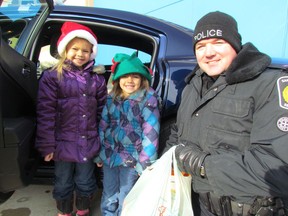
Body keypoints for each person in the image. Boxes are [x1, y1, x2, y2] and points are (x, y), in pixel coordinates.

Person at [164, 11, 288, 216]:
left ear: (236, 46)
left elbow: (277, 169)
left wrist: (203, 165)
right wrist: (164, 162)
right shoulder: (193, 86)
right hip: (198, 206)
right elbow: (178, 132)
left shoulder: (268, 85)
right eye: (201, 46)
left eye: (218, 42)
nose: (208, 52)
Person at [35, 21, 107, 216]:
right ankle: (64, 211)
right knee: (63, 180)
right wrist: (47, 145)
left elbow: (102, 114)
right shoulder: (52, 77)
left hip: (88, 143)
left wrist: (102, 146)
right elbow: (46, 113)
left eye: (85, 50)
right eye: (75, 48)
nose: (80, 54)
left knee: (85, 179)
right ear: (65, 49)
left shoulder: (97, 79)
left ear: (91, 52)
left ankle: (83, 209)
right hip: (61, 144)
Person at [94, 52, 161, 216]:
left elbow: (151, 133)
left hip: (133, 158)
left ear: (143, 79)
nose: (130, 81)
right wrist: (99, 153)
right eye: (125, 76)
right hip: (110, 155)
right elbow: (103, 125)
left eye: (135, 76)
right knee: (109, 193)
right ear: (117, 79)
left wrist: (145, 163)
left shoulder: (148, 99)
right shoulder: (111, 98)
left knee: (127, 194)